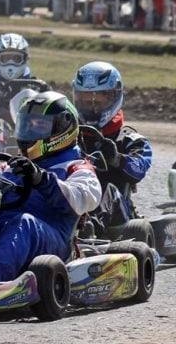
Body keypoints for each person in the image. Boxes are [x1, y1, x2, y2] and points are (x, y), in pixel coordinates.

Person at [0, 91, 101, 282]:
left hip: (52, 241)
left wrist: (42, 179)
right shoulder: (12, 166)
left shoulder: (77, 168)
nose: (30, 133)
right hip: (4, 233)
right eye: (27, 126)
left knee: (24, 223)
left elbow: (79, 199)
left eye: (39, 126)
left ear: (62, 129)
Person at [72, 61, 153, 228]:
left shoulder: (130, 139)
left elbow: (140, 169)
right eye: (86, 102)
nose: (92, 109)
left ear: (115, 97)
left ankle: (90, 227)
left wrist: (117, 159)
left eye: (98, 102)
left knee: (108, 189)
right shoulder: (70, 137)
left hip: (115, 218)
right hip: (74, 204)